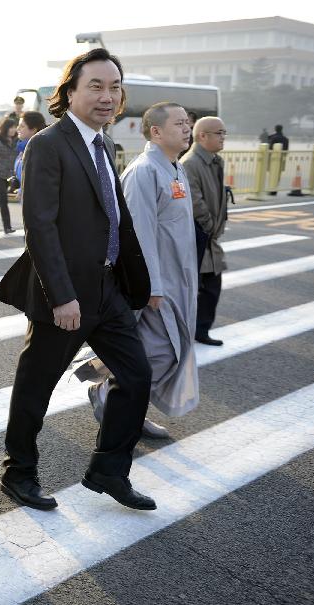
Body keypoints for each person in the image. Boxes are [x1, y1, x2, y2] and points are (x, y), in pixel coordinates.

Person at [0, 48, 155, 512]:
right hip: (63, 293)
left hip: (106, 290)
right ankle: (18, 472)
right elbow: (39, 226)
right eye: (96, 87)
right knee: (35, 386)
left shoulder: (105, 144)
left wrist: (132, 283)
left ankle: (109, 470)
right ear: (70, 92)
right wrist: (61, 296)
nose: (107, 97)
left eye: (115, 87)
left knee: (137, 377)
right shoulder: (49, 143)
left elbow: (115, 217)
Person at [89, 102, 199, 441]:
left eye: (187, 123)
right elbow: (137, 234)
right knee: (161, 351)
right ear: (155, 131)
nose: (187, 129)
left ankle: (130, 411)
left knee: (167, 349)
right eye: (179, 123)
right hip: (154, 286)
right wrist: (149, 285)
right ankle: (109, 392)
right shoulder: (144, 171)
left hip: (178, 279)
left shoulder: (173, 167)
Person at [181, 117, 228, 347]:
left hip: (210, 237)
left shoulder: (215, 160)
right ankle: (195, 330)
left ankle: (201, 329)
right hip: (200, 237)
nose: (223, 137)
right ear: (202, 136)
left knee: (211, 288)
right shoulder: (191, 163)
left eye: (224, 133)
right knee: (200, 289)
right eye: (219, 133)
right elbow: (195, 202)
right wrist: (211, 226)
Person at [14, 111, 46, 197]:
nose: (18, 129)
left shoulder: (38, 150)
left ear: (33, 129)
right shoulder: (23, 147)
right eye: (18, 125)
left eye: (22, 126)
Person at [266, 124, 289, 195]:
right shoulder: (285, 139)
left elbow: (269, 148)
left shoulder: (272, 137)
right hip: (281, 158)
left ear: (275, 129)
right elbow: (286, 150)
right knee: (278, 174)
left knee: (272, 173)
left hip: (272, 158)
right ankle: (275, 188)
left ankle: (271, 188)